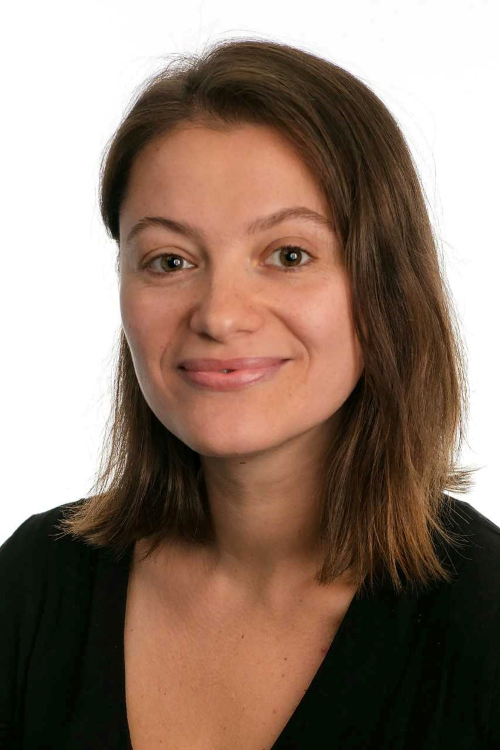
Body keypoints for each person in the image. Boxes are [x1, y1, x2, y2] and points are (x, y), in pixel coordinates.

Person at [1, 37, 499, 750]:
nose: (219, 315)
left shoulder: (484, 620)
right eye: (169, 260)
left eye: (289, 255)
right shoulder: (34, 587)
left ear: (385, 286)